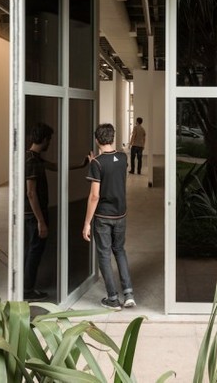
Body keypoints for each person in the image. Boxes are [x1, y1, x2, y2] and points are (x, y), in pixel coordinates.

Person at [24, 122, 88, 301]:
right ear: (44, 139)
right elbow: (31, 193)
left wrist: (80, 165)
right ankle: (27, 290)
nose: (50, 143)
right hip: (34, 215)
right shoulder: (32, 161)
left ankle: (27, 286)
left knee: (33, 250)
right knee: (34, 251)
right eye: (49, 139)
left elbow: (55, 166)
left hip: (33, 214)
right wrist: (41, 221)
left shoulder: (32, 157)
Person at [83, 123, 135, 310]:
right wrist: (95, 162)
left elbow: (94, 196)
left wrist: (87, 223)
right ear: (112, 138)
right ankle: (128, 294)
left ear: (97, 140)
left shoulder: (97, 163)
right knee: (119, 250)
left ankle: (113, 298)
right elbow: (113, 170)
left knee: (104, 255)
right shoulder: (122, 157)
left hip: (103, 217)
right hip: (120, 214)